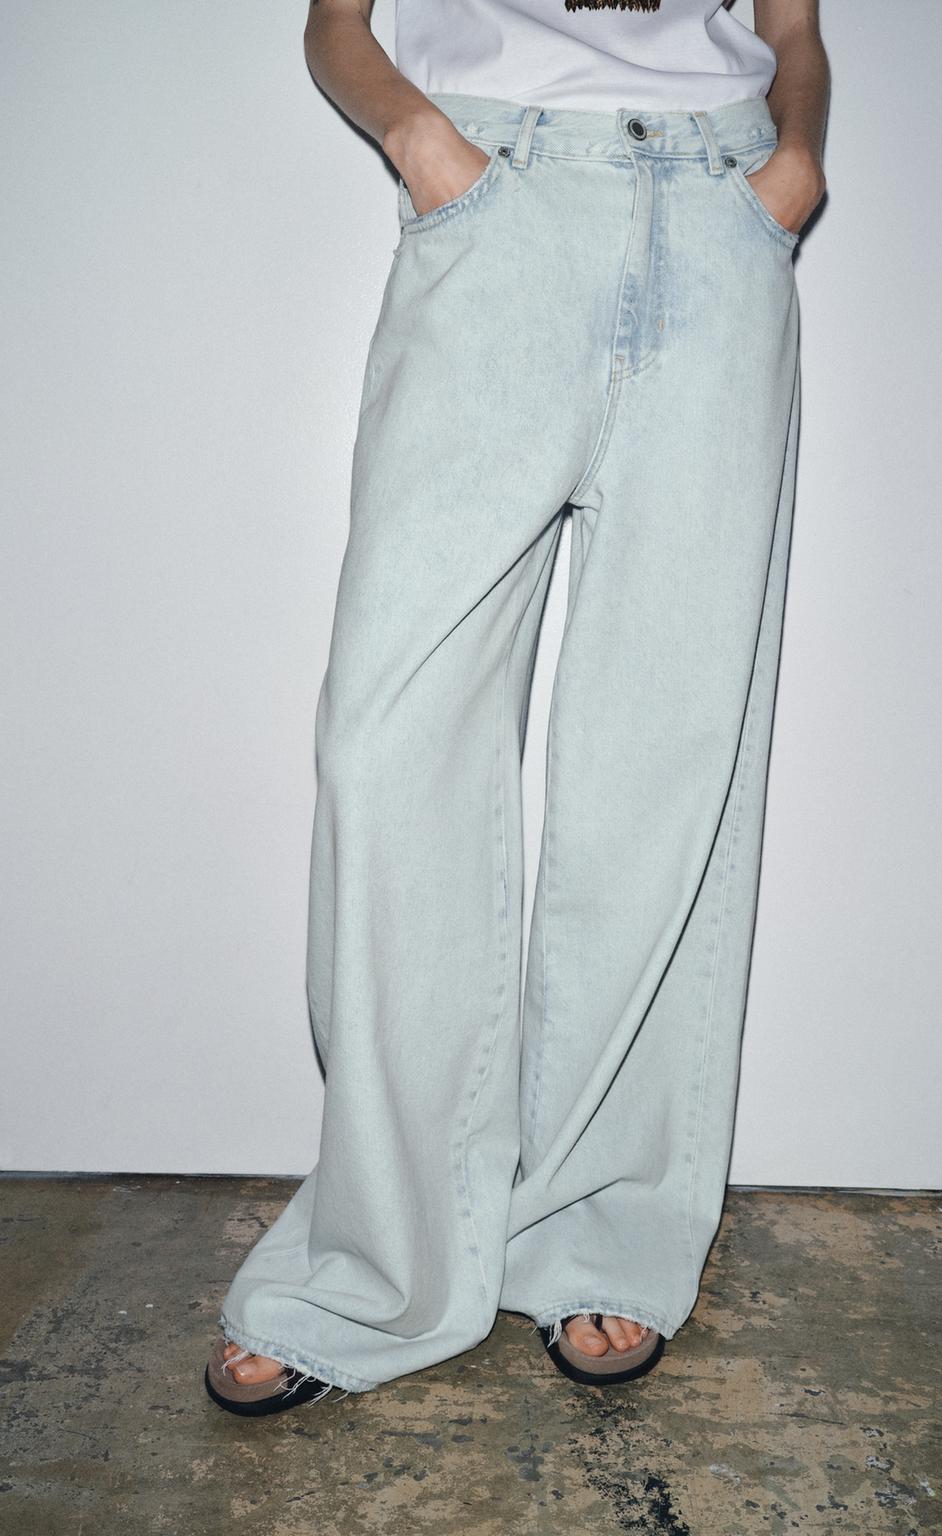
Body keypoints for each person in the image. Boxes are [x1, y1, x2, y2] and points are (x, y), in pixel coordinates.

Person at [204, 0, 829, 1415]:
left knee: (664, 759)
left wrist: (792, 163)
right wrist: (422, 139)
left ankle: (601, 1228)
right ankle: (374, 1262)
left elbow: (792, 22)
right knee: (387, 745)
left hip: (723, 207)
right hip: (499, 196)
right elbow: (337, 19)